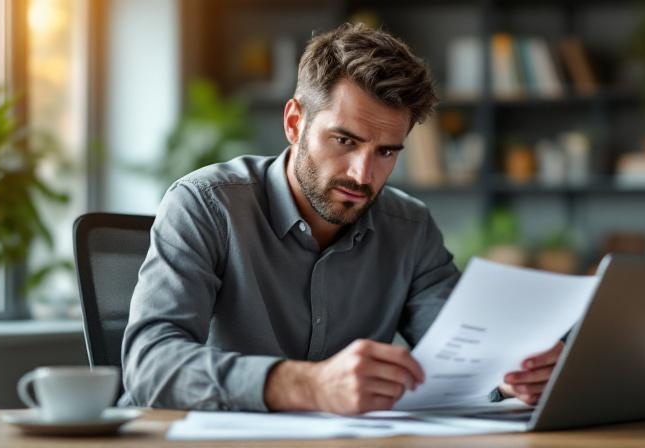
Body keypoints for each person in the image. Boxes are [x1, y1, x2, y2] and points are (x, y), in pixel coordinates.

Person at [120, 23, 564, 415]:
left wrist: (510, 373)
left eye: (386, 151)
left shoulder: (410, 227)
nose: (363, 174)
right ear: (294, 123)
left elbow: (463, 356)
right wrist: (308, 385)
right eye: (344, 140)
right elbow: (150, 365)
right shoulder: (206, 205)